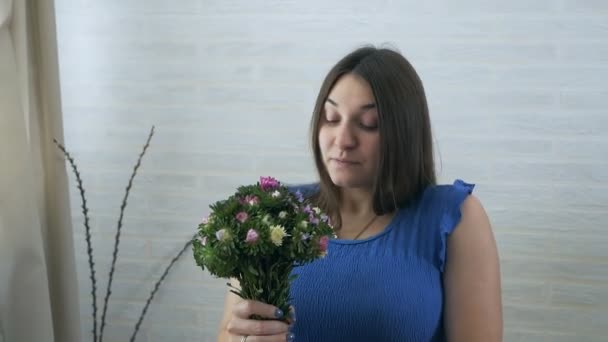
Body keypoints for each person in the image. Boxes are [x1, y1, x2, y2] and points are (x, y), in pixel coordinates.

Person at [216, 45, 503, 341]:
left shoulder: (453, 217)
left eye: (369, 124)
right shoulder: (275, 214)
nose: (343, 140)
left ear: (404, 133)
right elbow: (228, 333)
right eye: (331, 117)